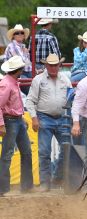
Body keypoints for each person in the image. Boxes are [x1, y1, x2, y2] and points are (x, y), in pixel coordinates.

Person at [25, 53, 72, 192]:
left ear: (59, 65)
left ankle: (56, 177)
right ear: (46, 65)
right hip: (44, 117)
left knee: (66, 149)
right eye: (51, 65)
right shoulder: (38, 80)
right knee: (45, 151)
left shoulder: (65, 79)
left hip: (62, 118)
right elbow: (30, 100)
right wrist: (34, 118)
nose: (53, 68)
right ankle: (46, 182)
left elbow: (71, 97)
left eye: (55, 65)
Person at [0, 56, 33, 196]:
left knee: (24, 152)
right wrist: (1, 125)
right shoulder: (7, 84)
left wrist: (21, 118)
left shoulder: (11, 82)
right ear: (18, 70)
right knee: (8, 154)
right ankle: (3, 189)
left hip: (16, 120)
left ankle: (25, 186)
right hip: (10, 121)